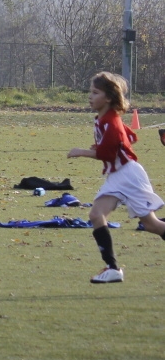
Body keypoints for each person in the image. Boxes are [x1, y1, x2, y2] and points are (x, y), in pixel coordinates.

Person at [66, 71, 165, 283]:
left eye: (95, 92)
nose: (90, 96)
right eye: (90, 92)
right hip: (118, 175)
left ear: (108, 98)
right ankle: (112, 269)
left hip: (128, 175)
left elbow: (109, 153)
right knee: (97, 215)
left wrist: (82, 151)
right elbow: (131, 136)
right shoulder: (105, 119)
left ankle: (112, 268)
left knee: (152, 226)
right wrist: (106, 144)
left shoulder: (111, 121)